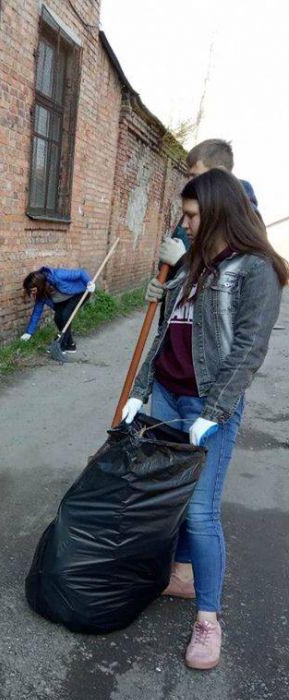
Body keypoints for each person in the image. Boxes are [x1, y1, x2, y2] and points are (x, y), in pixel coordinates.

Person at [121, 169, 286, 670]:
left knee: (200, 511)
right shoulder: (191, 263)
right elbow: (166, 336)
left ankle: (208, 620)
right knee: (170, 501)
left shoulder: (254, 270)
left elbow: (248, 350)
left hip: (205, 406)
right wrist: (140, 391)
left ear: (216, 211)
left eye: (191, 215)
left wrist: (213, 412)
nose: (184, 224)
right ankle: (181, 574)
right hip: (168, 397)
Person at [155, 138, 260, 279]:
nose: (190, 182)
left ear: (220, 172)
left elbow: (225, 277)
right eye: (189, 176)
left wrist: (181, 261)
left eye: (195, 176)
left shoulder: (244, 218)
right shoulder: (196, 206)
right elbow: (172, 257)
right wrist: (165, 287)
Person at [20, 267, 95, 354]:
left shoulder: (57, 275)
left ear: (39, 284)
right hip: (63, 301)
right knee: (58, 318)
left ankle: (61, 345)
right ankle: (70, 345)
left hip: (79, 293)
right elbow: (36, 312)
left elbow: (81, 273)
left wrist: (89, 282)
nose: (32, 293)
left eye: (33, 290)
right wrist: (29, 333)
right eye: (30, 291)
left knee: (65, 315)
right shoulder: (40, 294)